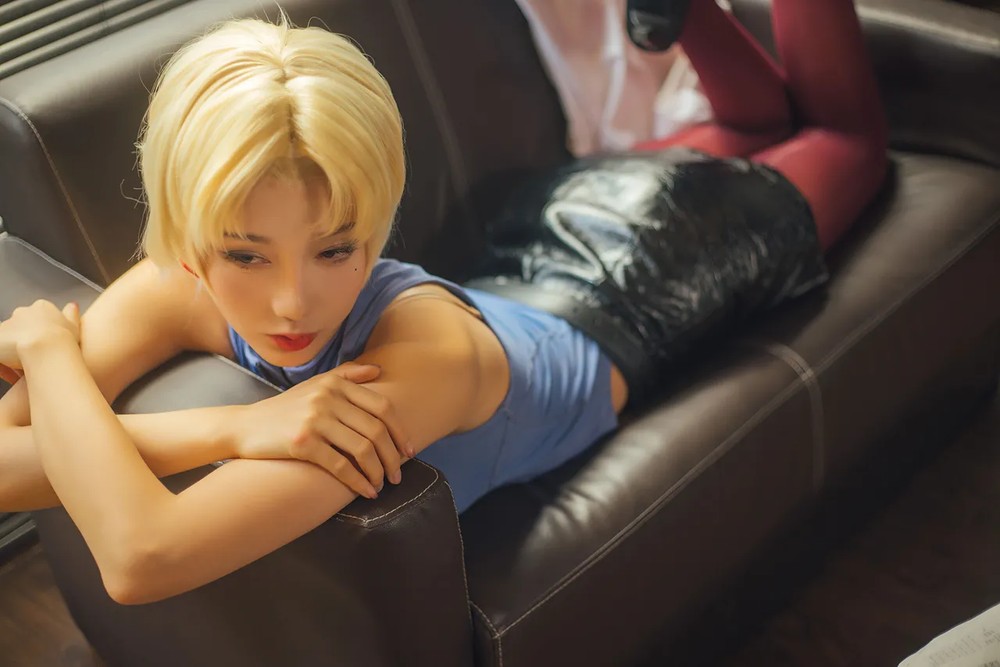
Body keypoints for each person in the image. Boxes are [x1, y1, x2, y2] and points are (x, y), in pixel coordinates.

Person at [0, 0, 885, 605]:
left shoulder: (407, 374)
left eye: (337, 247)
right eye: (244, 253)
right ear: (191, 234)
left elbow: (140, 556)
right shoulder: (176, 285)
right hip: (531, 246)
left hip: (639, 282)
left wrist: (47, 350)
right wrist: (233, 428)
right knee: (759, 129)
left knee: (849, 141)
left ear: (379, 222)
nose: (290, 300)